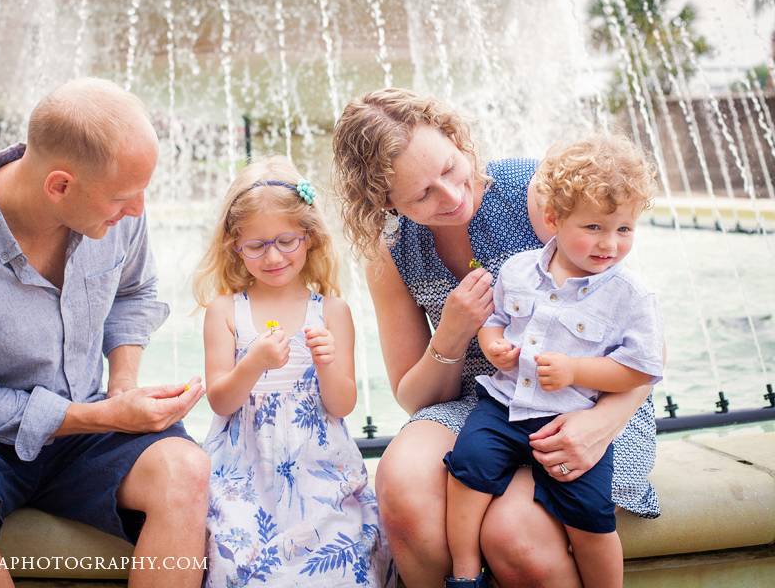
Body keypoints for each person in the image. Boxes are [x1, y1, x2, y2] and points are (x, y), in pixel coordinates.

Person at [331, 88, 659, 587]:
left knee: (515, 536)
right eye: (422, 194)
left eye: (449, 168)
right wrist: (453, 333)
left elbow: (646, 345)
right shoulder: (392, 251)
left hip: (589, 402)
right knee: (399, 483)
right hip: (489, 406)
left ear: (457, 139)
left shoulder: (537, 196)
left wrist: (599, 424)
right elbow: (414, 398)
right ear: (384, 201)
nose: (451, 196)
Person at [0, 77, 209, 588]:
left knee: (187, 470)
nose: (137, 211)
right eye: (126, 197)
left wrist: (122, 389)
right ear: (59, 185)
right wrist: (102, 414)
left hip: (85, 419)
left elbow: (133, 293)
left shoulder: (115, 205)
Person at [443, 134, 663, 588]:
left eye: (624, 229)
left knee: (588, 517)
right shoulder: (518, 270)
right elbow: (497, 319)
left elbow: (642, 368)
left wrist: (576, 371)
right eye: (594, 228)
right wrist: (492, 343)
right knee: (468, 465)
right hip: (506, 406)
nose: (610, 244)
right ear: (554, 219)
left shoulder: (630, 294)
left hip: (572, 420)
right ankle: (464, 576)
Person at [193, 157, 395, 587]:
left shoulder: (333, 312)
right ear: (234, 246)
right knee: (235, 561)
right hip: (244, 470)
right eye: (256, 245)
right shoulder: (225, 311)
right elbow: (221, 401)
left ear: (310, 237)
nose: (273, 256)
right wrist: (254, 362)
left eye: (286, 240)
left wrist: (325, 363)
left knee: (341, 561)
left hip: (318, 468)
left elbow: (342, 404)